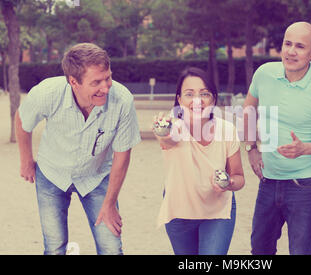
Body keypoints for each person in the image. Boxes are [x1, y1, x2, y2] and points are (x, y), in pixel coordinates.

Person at [15, 43, 141, 255]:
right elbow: (22, 120)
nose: (106, 87)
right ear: (74, 82)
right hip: (52, 174)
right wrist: (26, 161)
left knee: (111, 248)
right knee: (54, 247)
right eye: (96, 82)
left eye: (108, 77)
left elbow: (122, 155)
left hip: (97, 176)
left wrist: (110, 204)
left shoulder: (123, 100)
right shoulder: (47, 92)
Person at [243, 22, 311, 255]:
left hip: (303, 187)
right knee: (259, 250)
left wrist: (305, 148)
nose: (291, 51)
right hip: (267, 182)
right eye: (288, 44)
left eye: (300, 46)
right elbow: (248, 108)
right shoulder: (264, 73)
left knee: (300, 252)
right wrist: (251, 148)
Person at [154, 67, 245, 255]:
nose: (197, 100)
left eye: (204, 94)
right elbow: (169, 139)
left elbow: (239, 177)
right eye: (189, 94)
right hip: (179, 209)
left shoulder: (227, 130)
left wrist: (229, 182)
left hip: (217, 210)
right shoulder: (175, 126)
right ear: (179, 100)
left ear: (213, 99)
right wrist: (162, 131)